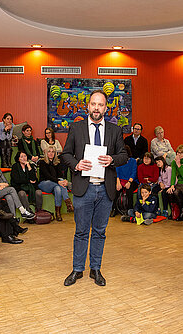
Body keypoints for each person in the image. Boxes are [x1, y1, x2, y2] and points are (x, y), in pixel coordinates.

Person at [62, 89, 128, 287]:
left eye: (100, 105)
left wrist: (112, 159)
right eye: (93, 104)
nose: (96, 108)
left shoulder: (114, 131)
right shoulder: (76, 128)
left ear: (105, 108)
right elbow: (65, 154)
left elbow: (124, 156)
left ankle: (95, 269)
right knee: (81, 231)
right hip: (84, 188)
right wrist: (76, 164)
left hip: (105, 189)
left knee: (99, 231)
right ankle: (77, 269)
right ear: (88, 106)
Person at [0, 151, 35, 220]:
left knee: (9, 197)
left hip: (2, 190)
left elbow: (6, 183)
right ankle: (22, 210)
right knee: (11, 189)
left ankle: (13, 218)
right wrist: (0, 185)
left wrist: (2, 185)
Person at [38, 145, 73, 221]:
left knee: (58, 189)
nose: (51, 153)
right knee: (59, 183)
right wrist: (60, 181)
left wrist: (63, 180)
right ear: (46, 153)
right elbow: (48, 176)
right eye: (49, 152)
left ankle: (58, 213)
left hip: (55, 184)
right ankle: (68, 202)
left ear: (55, 153)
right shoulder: (42, 162)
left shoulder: (57, 163)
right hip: (44, 184)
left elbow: (60, 176)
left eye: (53, 152)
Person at [111, 145, 139, 216]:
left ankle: (129, 209)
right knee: (115, 190)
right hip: (120, 180)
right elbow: (117, 171)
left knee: (129, 190)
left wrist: (129, 182)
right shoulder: (119, 161)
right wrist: (118, 182)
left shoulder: (133, 161)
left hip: (131, 180)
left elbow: (134, 172)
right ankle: (114, 209)